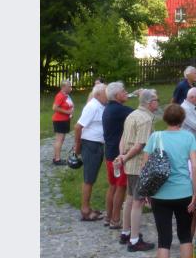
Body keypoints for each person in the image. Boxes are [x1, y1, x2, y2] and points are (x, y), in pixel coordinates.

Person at [143, 104, 196, 258]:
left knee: (163, 239)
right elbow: (195, 165)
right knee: (185, 236)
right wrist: (195, 193)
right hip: (183, 192)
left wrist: (147, 192)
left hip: (160, 194)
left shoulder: (155, 137)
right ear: (182, 120)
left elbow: (146, 166)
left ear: (165, 119)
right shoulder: (188, 137)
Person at [115, 89, 158, 252]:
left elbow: (123, 139)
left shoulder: (132, 115)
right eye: (157, 100)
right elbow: (140, 145)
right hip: (138, 164)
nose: (158, 103)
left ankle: (126, 232)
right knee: (138, 202)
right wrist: (124, 158)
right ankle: (134, 240)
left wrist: (122, 156)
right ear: (150, 102)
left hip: (129, 163)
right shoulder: (146, 119)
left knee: (131, 198)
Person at [101, 82, 135, 229]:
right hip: (118, 156)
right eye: (123, 91)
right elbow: (140, 114)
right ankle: (115, 219)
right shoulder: (119, 110)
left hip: (109, 153)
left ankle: (108, 217)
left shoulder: (108, 108)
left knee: (113, 186)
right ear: (117, 95)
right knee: (120, 187)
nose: (126, 93)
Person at [74, 83, 107, 221]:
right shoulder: (93, 106)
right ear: (98, 94)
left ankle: (88, 207)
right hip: (91, 144)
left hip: (96, 144)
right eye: (106, 92)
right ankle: (85, 210)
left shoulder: (100, 105)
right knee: (89, 178)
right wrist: (77, 147)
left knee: (91, 178)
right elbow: (78, 127)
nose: (108, 95)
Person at [51, 80, 74, 165]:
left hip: (64, 120)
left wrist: (70, 113)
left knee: (60, 139)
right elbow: (54, 107)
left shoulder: (66, 96)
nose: (70, 88)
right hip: (59, 120)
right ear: (63, 87)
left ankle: (55, 157)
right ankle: (57, 159)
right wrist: (68, 112)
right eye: (69, 86)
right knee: (59, 140)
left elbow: (69, 106)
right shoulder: (60, 96)